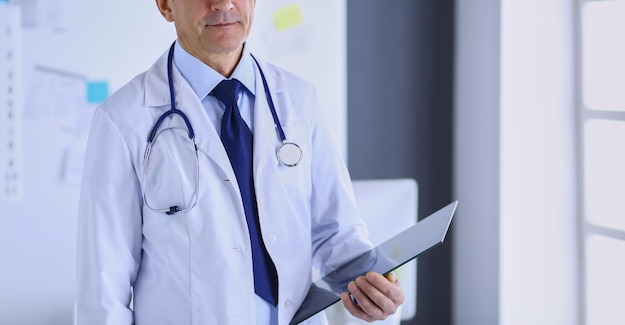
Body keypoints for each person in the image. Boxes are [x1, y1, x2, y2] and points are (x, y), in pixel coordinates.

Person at [75, 0, 404, 324]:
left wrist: (370, 285)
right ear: (165, 5)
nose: (222, 4)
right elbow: (104, 292)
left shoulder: (299, 100)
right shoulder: (123, 120)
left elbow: (336, 233)